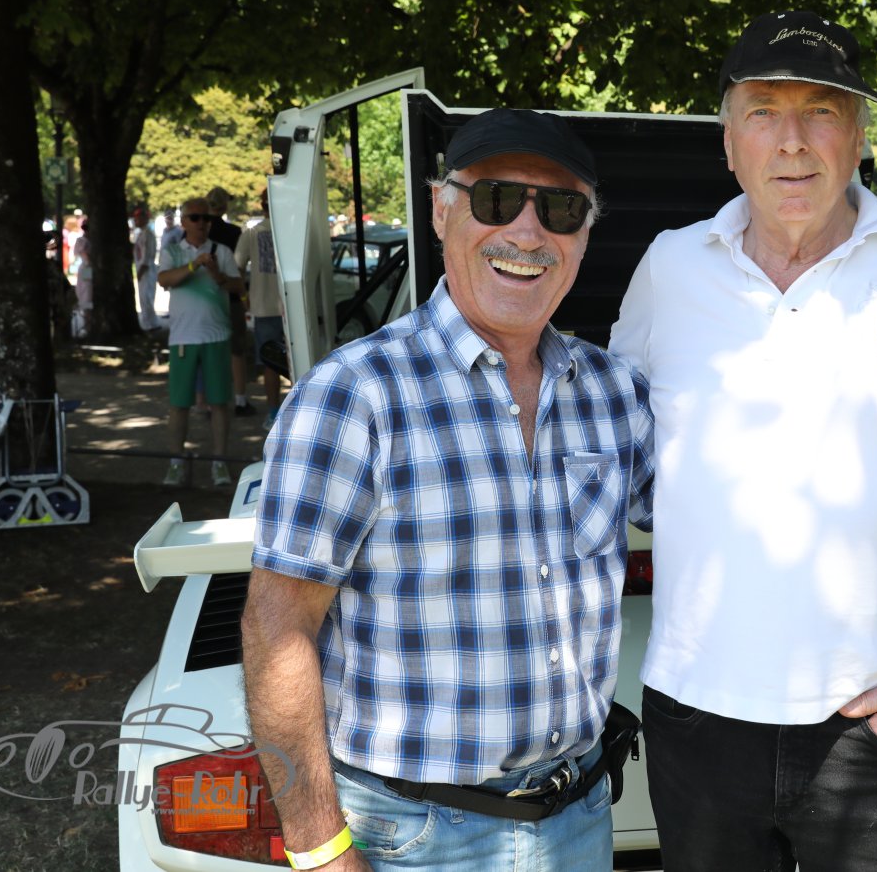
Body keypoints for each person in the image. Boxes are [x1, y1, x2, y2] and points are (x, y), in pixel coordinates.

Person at [609, 10, 877, 872]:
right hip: (699, 716)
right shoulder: (669, 266)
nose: (792, 141)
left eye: (821, 111)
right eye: (763, 112)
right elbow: (616, 449)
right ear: (727, 142)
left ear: (858, 135)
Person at [242, 108, 654, 872]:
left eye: (561, 209)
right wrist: (320, 849)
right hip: (415, 839)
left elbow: (731, 521)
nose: (527, 231)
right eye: (496, 198)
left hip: (579, 818)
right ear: (440, 209)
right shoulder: (353, 394)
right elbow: (277, 628)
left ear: (584, 233)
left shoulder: (614, 392)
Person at [157, 197, 244, 487]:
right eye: (195, 218)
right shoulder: (172, 251)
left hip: (217, 336)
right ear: (183, 222)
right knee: (179, 405)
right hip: (183, 338)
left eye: (207, 218)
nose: (202, 223)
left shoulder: (222, 251)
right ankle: (176, 463)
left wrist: (218, 274)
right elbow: (164, 280)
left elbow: (238, 286)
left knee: (219, 403)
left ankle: (220, 462)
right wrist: (194, 265)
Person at [204, 187, 257, 418]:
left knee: (211, 350)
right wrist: (244, 296)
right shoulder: (234, 232)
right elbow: (239, 268)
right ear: (225, 205)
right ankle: (240, 399)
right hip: (232, 295)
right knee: (237, 349)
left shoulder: (202, 232)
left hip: (206, 295)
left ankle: (210, 401)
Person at [235, 191, 284, 430]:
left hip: (264, 305)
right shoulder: (292, 228)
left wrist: (244, 295)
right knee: (299, 359)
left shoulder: (252, 231)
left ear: (263, 206)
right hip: (293, 305)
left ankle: (274, 412)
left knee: (270, 363)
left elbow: (237, 265)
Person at [132, 203, 162, 330]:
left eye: (138, 218)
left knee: (147, 298)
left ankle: (151, 324)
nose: (135, 221)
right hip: (142, 269)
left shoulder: (148, 234)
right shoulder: (140, 233)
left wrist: (140, 272)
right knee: (143, 298)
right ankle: (147, 323)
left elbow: (147, 256)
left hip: (147, 270)